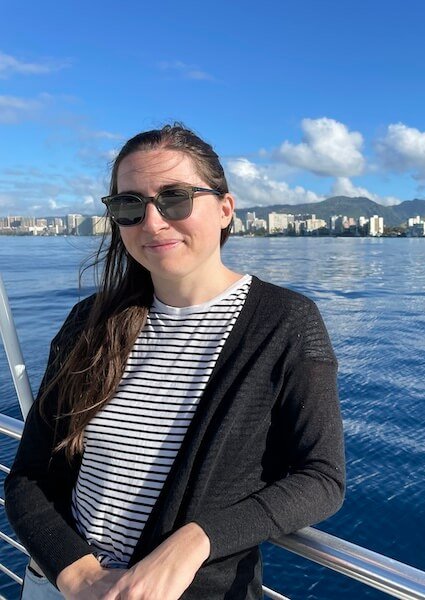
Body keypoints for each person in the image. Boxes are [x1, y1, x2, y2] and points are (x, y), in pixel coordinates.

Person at [4, 123, 346, 599]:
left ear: (226, 210)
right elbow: (30, 478)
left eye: (175, 198)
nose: (153, 222)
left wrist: (197, 539)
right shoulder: (91, 322)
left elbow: (321, 478)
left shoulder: (285, 322)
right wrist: (78, 575)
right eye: (129, 205)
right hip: (59, 586)